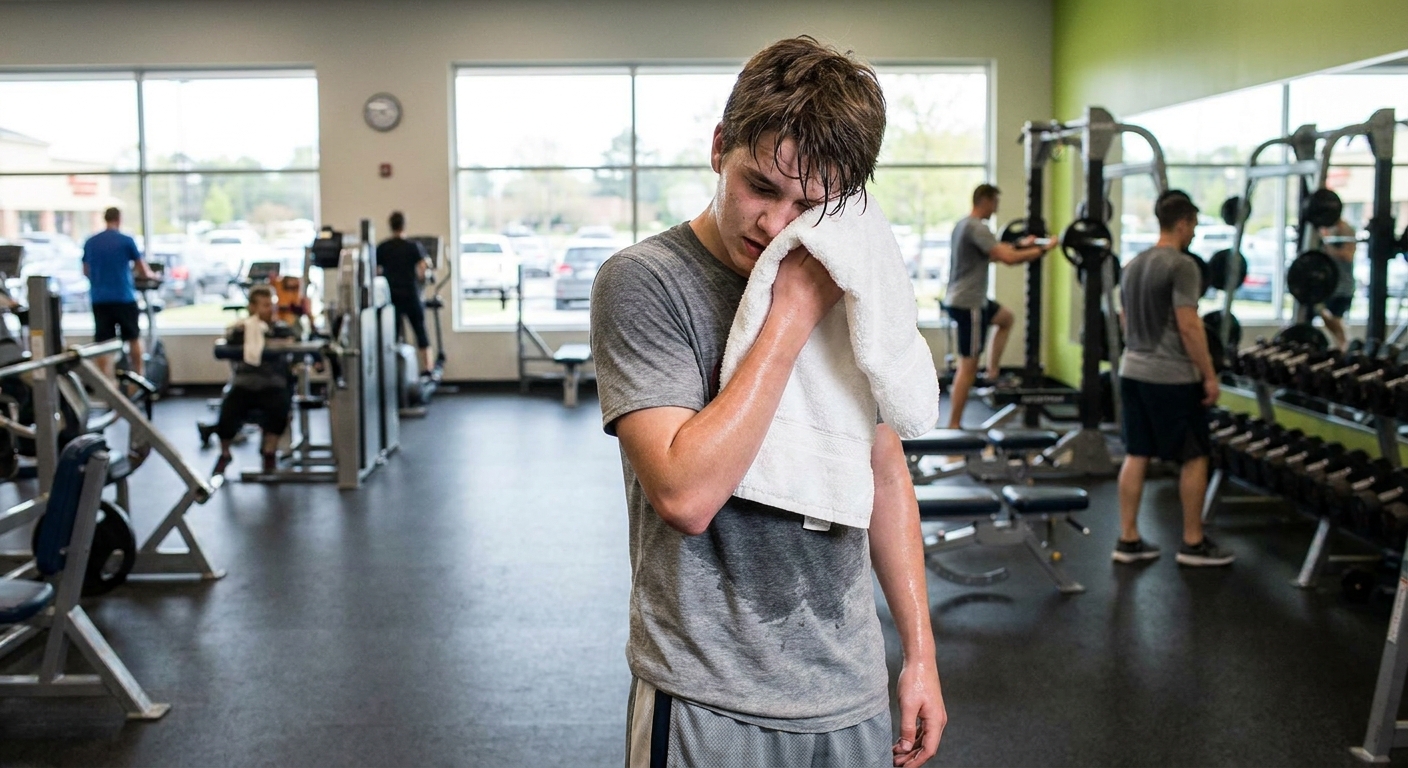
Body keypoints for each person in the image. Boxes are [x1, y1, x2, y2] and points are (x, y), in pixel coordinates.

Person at [591, 37, 944, 768]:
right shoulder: (645, 282)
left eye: (810, 205)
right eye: (760, 186)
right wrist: (787, 320)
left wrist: (919, 656)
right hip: (707, 693)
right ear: (721, 147)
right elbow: (686, 495)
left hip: (848, 690)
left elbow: (883, 474)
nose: (777, 225)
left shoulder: (847, 274)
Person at [1113, 192, 1234, 567]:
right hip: (1171, 377)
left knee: (1137, 454)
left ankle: (1128, 539)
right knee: (1195, 456)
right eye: (1194, 225)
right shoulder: (1182, 266)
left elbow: (1124, 320)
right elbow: (1188, 324)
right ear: (1182, 223)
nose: (1195, 232)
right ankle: (1193, 543)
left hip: (1131, 369)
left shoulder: (1133, 264)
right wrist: (1209, 375)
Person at [941, 184, 1053, 429]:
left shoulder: (964, 225)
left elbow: (994, 253)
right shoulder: (977, 227)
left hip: (967, 299)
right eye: (995, 202)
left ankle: (992, 373)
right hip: (969, 303)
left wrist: (1025, 244)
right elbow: (1008, 258)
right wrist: (1044, 248)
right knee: (967, 366)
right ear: (985, 200)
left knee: (1005, 318)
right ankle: (954, 424)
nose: (997, 208)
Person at [212, 285, 297, 477]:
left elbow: (294, 339)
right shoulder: (241, 329)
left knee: (279, 407)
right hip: (244, 384)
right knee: (227, 412)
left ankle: (269, 453)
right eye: (266, 306)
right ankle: (225, 454)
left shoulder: (281, 328)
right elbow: (228, 339)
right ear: (253, 308)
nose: (271, 310)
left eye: (272, 305)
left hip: (273, 384)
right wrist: (241, 331)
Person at [82, 207, 155, 377]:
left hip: (100, 299)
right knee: (133, 338)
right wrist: (153, 276)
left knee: (103, 343)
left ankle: (107, 382)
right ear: (119, 219)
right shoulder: (126, 240)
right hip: (124, 297)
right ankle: (138, 377)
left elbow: (86, 271)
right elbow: (143, 270)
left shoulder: (91, 242)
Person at [375, 212, 432, 375]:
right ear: (404, 225)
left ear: (390, 225)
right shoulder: (413, 246)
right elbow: (423, 268)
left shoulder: (383, 247)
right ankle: (428, 368)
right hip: (411, 294)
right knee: (420, 331)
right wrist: (420, 278)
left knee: (392, 335)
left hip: (391, 297)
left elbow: (376, 271)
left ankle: (392, 371)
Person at [1318, 218, 1357, 351]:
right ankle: (1344, 346)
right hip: (1328, 288)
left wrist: (1327, 243)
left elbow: (1348, 255)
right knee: (1320, 312)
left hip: (1343, 288)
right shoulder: (1325, 229)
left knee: (1336, 319)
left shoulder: (1346, 230)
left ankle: (1345, 347)